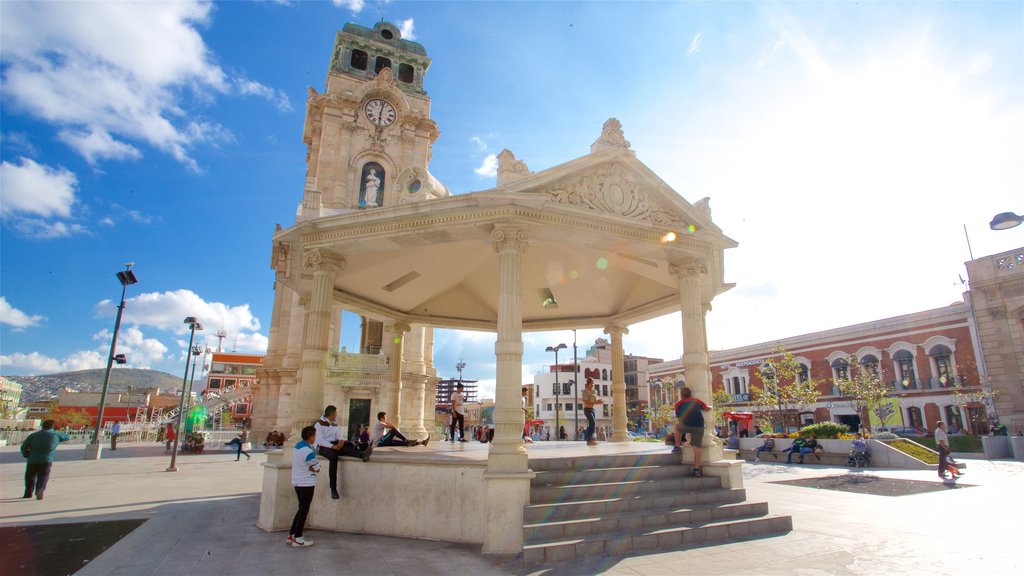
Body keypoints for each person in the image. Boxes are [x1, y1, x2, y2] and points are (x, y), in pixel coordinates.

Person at [315, 405, 372, 500]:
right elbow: (319, 440)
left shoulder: (334, 424)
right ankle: (333, 489)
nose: (336, 415)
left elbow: (339, 435)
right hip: (323, 446)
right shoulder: (319, 424)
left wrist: (341, 441)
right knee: (333, 457)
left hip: (334, 444)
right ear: (332, 414)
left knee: (347, 447)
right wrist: (332, 446)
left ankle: (362, 455)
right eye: (335, 413)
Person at [287, 425, 320, 548]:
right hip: (306, 482)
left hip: (297, 481)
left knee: (301, 508)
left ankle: (292, 534)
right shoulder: (308, 451)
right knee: (304, 510)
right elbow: (317, 468)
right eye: (315, 435)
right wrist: (314, 467)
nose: (316, 437)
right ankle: (298, 538)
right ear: (311, 437)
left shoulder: (297, 447)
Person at [20, 420, 69, 500]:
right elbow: (67, 437)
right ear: (53, 426)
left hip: (32, 459)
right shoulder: (55, 434)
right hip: (47, 459)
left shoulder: (33, 435)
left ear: (42, 426)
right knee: (43, 476)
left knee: (30, 476)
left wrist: (26, 454)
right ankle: (40, 490)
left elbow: (23, 447)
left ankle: (28, 493)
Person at [673, 387, 712, 478]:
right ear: (690, 394)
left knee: (677, 427)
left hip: (686, 425)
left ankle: (677, 446)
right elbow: (706, 408)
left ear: (681, 395)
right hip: (699, 426)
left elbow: (678, 417)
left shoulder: (678, 404)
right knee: (697, 448)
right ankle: (696, 470)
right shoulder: (696, 400)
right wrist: (711, 407)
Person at [582, 377, 604, 446]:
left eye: (593, 384)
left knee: (592, 424)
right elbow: (586, 401)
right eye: (591, 383)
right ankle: (590, 439)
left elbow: (595, 399)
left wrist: (599, 400)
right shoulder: (585, 391)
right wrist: (597, 402)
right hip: (587, 409)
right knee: (592, 422)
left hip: (592, 409)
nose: (592, 385)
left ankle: (591, 439)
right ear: (588, 384)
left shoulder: (595, 391)